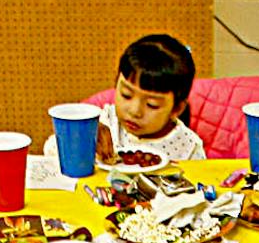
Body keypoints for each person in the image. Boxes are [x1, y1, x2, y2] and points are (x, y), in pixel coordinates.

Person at [48, 33, 208, 166]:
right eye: (126, 95)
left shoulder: (188, 147)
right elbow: (51, 151)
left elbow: (201, 192)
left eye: (152, 105)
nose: (134, 111)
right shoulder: (106, 122)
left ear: (176, 109)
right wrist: (81, 137)